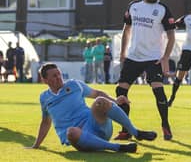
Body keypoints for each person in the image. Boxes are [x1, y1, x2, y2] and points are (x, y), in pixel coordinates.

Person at [26, 63, 157, 152]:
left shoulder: (74, 85)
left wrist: (115, 100)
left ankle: (136, 132)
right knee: (71, 132)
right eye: (54, 76)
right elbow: (45, 121)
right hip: (80, 137)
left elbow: (97, 93)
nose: (58, 77)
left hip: (96, 124)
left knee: (100, 101)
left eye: (59, 74)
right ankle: (118, 148)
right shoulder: (44, 98)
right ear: (45, 80)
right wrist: (36, 145)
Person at [114, 0, 175, 141]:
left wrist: (165, 56)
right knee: (121, 91)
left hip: (153, 58)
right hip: (133, 57)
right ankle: (125, 129)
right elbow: (126, 30)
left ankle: (165, 125)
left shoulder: (162, 9)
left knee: (158, 91)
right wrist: (122, 53)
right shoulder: (134, 6)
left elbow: (171, 35)